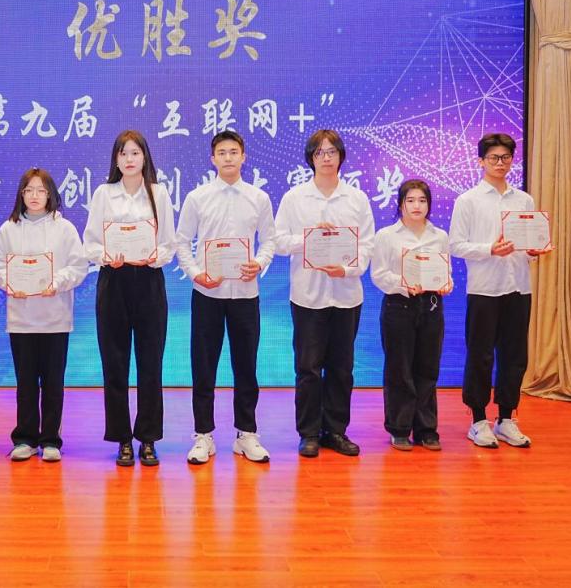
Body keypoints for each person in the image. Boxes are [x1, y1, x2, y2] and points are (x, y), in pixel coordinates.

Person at [174, 131, 276, 465]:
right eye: (222, 152)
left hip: (245, 294)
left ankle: (246, 434)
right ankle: (203, 435)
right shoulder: (197, 198)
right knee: (203, 366)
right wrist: (195, 273)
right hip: (207, 293)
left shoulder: (258, 198)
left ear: (244, 157)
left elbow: (270, 240)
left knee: (246, 366)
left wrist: (259, 263)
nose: (228, 157)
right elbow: (181, 241)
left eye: (234, 152)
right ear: (212, 159)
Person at [274, 130, 375, 458]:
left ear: (341, 156)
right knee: (308, 368)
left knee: (342, 368)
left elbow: (367, 245)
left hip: (346, 294)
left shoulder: (356, 199)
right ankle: (308, 433)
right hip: (308, 296)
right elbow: (279, 242)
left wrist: (347, 269)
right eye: (320, 152)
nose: (326, 158)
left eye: (332, 151)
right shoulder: (295, 198)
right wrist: (308, 238)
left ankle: (335, 430)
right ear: (311, 158)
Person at [450, 133, 552, 449]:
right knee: (480, 355)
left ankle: (506, 418)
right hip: (485, 289)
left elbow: (529, 243)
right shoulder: (468, 200)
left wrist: (534, 251)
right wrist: (489, 249)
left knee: (515, 356)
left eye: (505, 157)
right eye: (493, 157)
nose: (500, 163)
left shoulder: (524, 200)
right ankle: (478, 420)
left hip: (519, 287)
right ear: (481, 161)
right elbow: (456, 245)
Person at [83, 130, 175, 467]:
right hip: (114, 282)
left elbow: (169, 243)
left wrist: (154, 256)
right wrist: (107, 255)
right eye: (124, 153)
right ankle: (122, 438)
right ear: (116, 159)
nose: (130, 159)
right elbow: (90, 242)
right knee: (115, 364)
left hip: (149, 281)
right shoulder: (104, 193)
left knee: (151, 364)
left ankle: (147, 438)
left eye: (136, 152)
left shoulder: (158, 193)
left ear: (145, 157)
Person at [0, 168, 88, 462]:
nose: (34, 196)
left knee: (53, 382)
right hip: (21, 319)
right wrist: (10, 283)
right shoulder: (9, 229)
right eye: (29, 190)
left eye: (40, 190)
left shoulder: (64, 228)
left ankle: (51, 440)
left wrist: (56, 282)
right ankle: (25, 438)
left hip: (55, 317)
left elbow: (78, 266)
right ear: (21, 194)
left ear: (50, 195)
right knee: (26, 383)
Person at [371, 179, 452, 452]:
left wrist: (447, 283)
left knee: (428, 369)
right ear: (400, 204)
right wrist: (404, 284)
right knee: (399, 369)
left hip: (431, 305)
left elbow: (445, 271)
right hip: (399, 306)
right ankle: (400, 428)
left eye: (422, 200)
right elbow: (378, 275)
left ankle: (426, 429)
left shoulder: (439, 236)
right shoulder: (386, 236)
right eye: (411, 200)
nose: (417, 206)